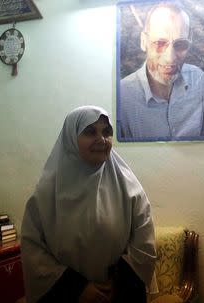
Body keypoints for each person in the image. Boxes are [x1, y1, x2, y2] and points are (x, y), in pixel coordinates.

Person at [21, 106, 157, 302]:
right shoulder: (45, 195)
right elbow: (33, 250)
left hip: (118, 294)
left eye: (107, 132)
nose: (101, 139)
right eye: (90, 131)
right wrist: (76, 289)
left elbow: (144, 242)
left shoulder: (129, 188)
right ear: (71, 138)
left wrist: (116, 283)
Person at [118, 2, 204, 141]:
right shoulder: (123, 95)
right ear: (143, 41)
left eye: (180, 44)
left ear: (190, 41)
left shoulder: (198, 79)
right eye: (159, 43)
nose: (170, 58)